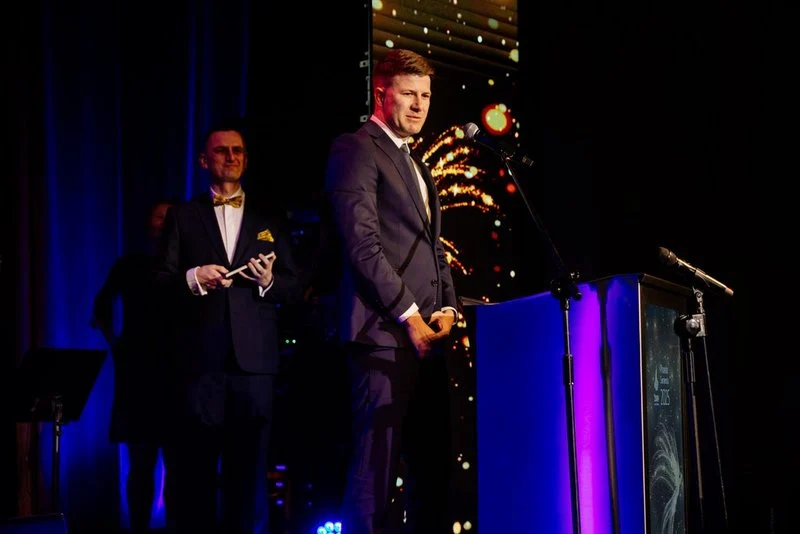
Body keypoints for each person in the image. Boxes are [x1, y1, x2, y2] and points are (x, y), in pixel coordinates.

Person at [323, 49, 459, 533]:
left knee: (433, 470)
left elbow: (433, 248)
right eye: (408, 94)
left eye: (426, 95)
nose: (420, 105)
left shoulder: (416, 163)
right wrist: (411, 316)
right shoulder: (356, 148)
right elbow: (362, 245)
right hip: (383, 335)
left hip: (428, 339)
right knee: (375, 471)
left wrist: (448, 308)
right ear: (381, 94)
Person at [153, 122, 302, 534]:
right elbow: (158, 283)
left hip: (254, 368)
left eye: (238, 151)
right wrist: (194, 277)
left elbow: (294, 285)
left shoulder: (269, 218)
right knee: (193, 476)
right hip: (199, 367)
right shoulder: (184, 216)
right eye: (221, 151)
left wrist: (268, 280)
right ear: (204, 160)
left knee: (249, 478)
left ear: (247, 160)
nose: (231, 157)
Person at [92, 199, 174, 533]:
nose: (162, 223)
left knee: (180, 466)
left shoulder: (189, 263)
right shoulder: (130, 264)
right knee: (141, 465)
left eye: (168, 217)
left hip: (179, 372)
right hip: (139, 373)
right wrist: (117, 345)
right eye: (157, 217)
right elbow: (101, 304)